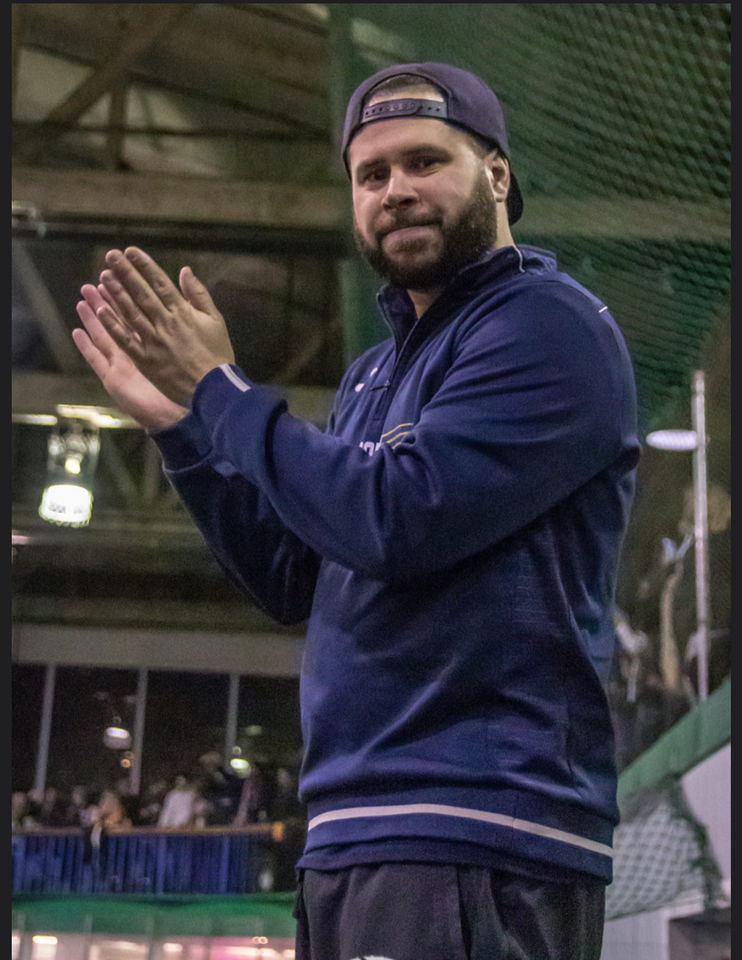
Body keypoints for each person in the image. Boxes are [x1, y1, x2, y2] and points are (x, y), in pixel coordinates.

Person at [72, 62, 640, 960]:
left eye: (424, 161)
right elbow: (293, 574)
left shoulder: (547, 325)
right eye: (371, 175)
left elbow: (395, 518)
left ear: (497, 176)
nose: (395, 191)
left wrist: (220, 391)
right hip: (357, 826)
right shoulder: (376, 374)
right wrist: (183, 429)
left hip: (475, 823)